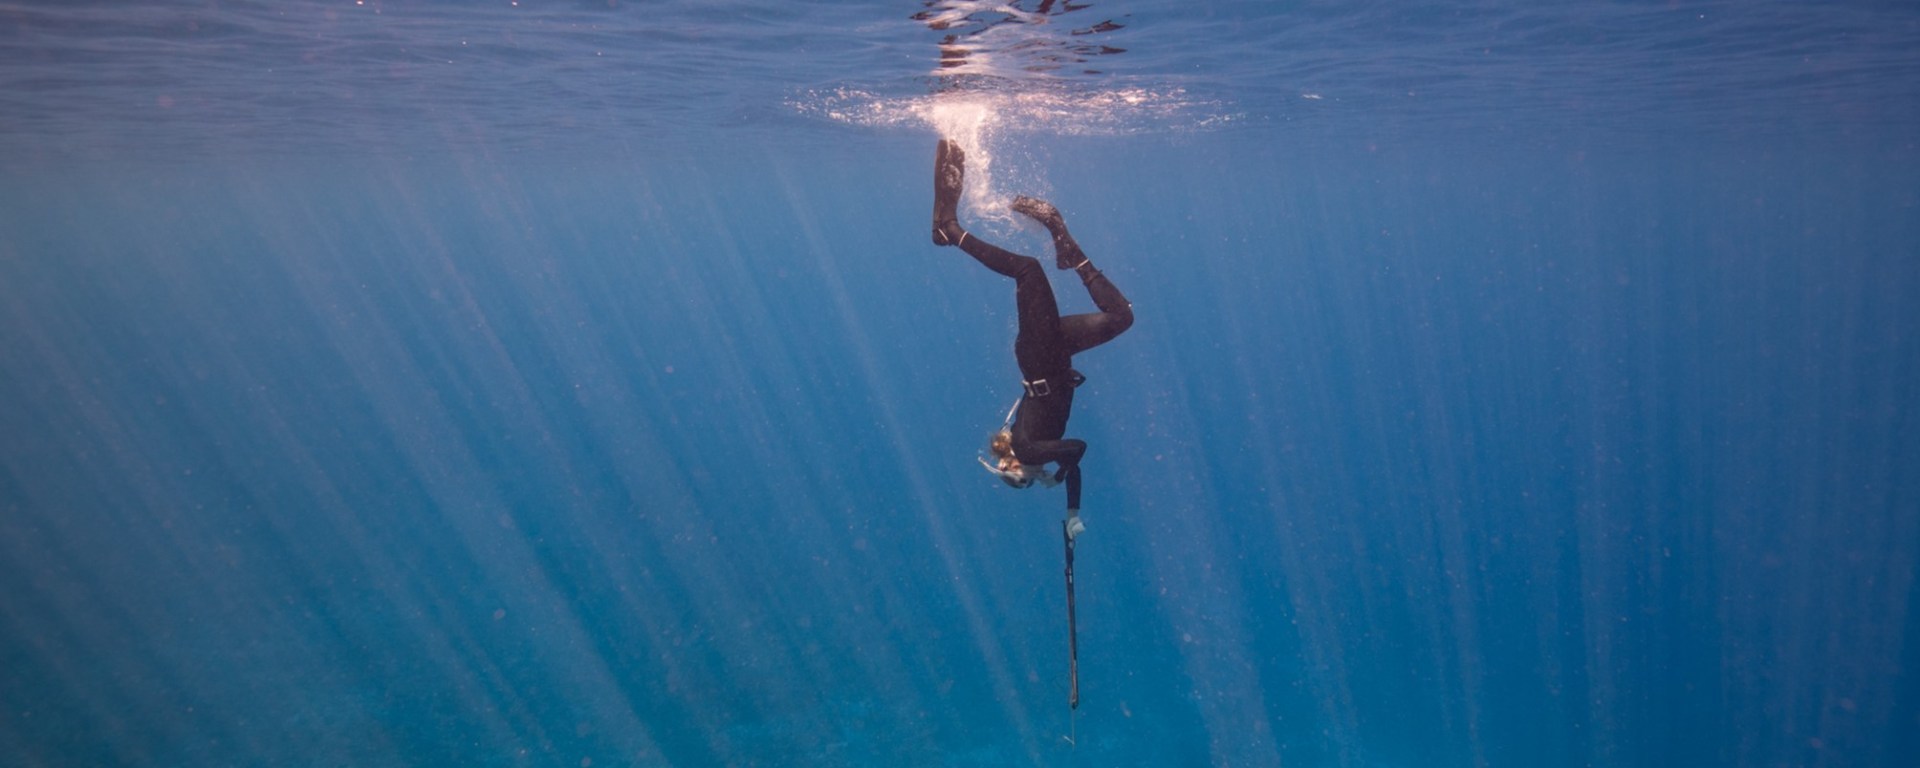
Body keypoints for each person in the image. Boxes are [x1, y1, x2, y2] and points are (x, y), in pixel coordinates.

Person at [931, 139, 1133, 539]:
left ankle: (949, 231)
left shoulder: (1026, 450)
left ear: (1008, 465)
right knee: (1120, 317)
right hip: (1055, 354)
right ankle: (1068, 249)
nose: (1028, 475)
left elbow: (1076, 450)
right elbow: (1073, 459)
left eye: (1019, 478)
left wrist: (1054, 475)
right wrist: (1072, 510)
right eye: (1026, 482)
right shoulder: (1036, 452)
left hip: (1041, 355)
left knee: (1027, 270)